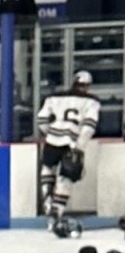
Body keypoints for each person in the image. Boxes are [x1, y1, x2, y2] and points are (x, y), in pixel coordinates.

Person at [36, 70, 99, 235]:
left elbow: (41, 119)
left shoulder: (54, 97)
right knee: (66, 178)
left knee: (47, 168)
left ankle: (48, 198)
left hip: (52, 140)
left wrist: (50, 133)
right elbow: (88, 127)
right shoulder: (91, 101)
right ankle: (56, 212)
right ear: (88, 85)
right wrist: (80, 147)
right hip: (72, 142)